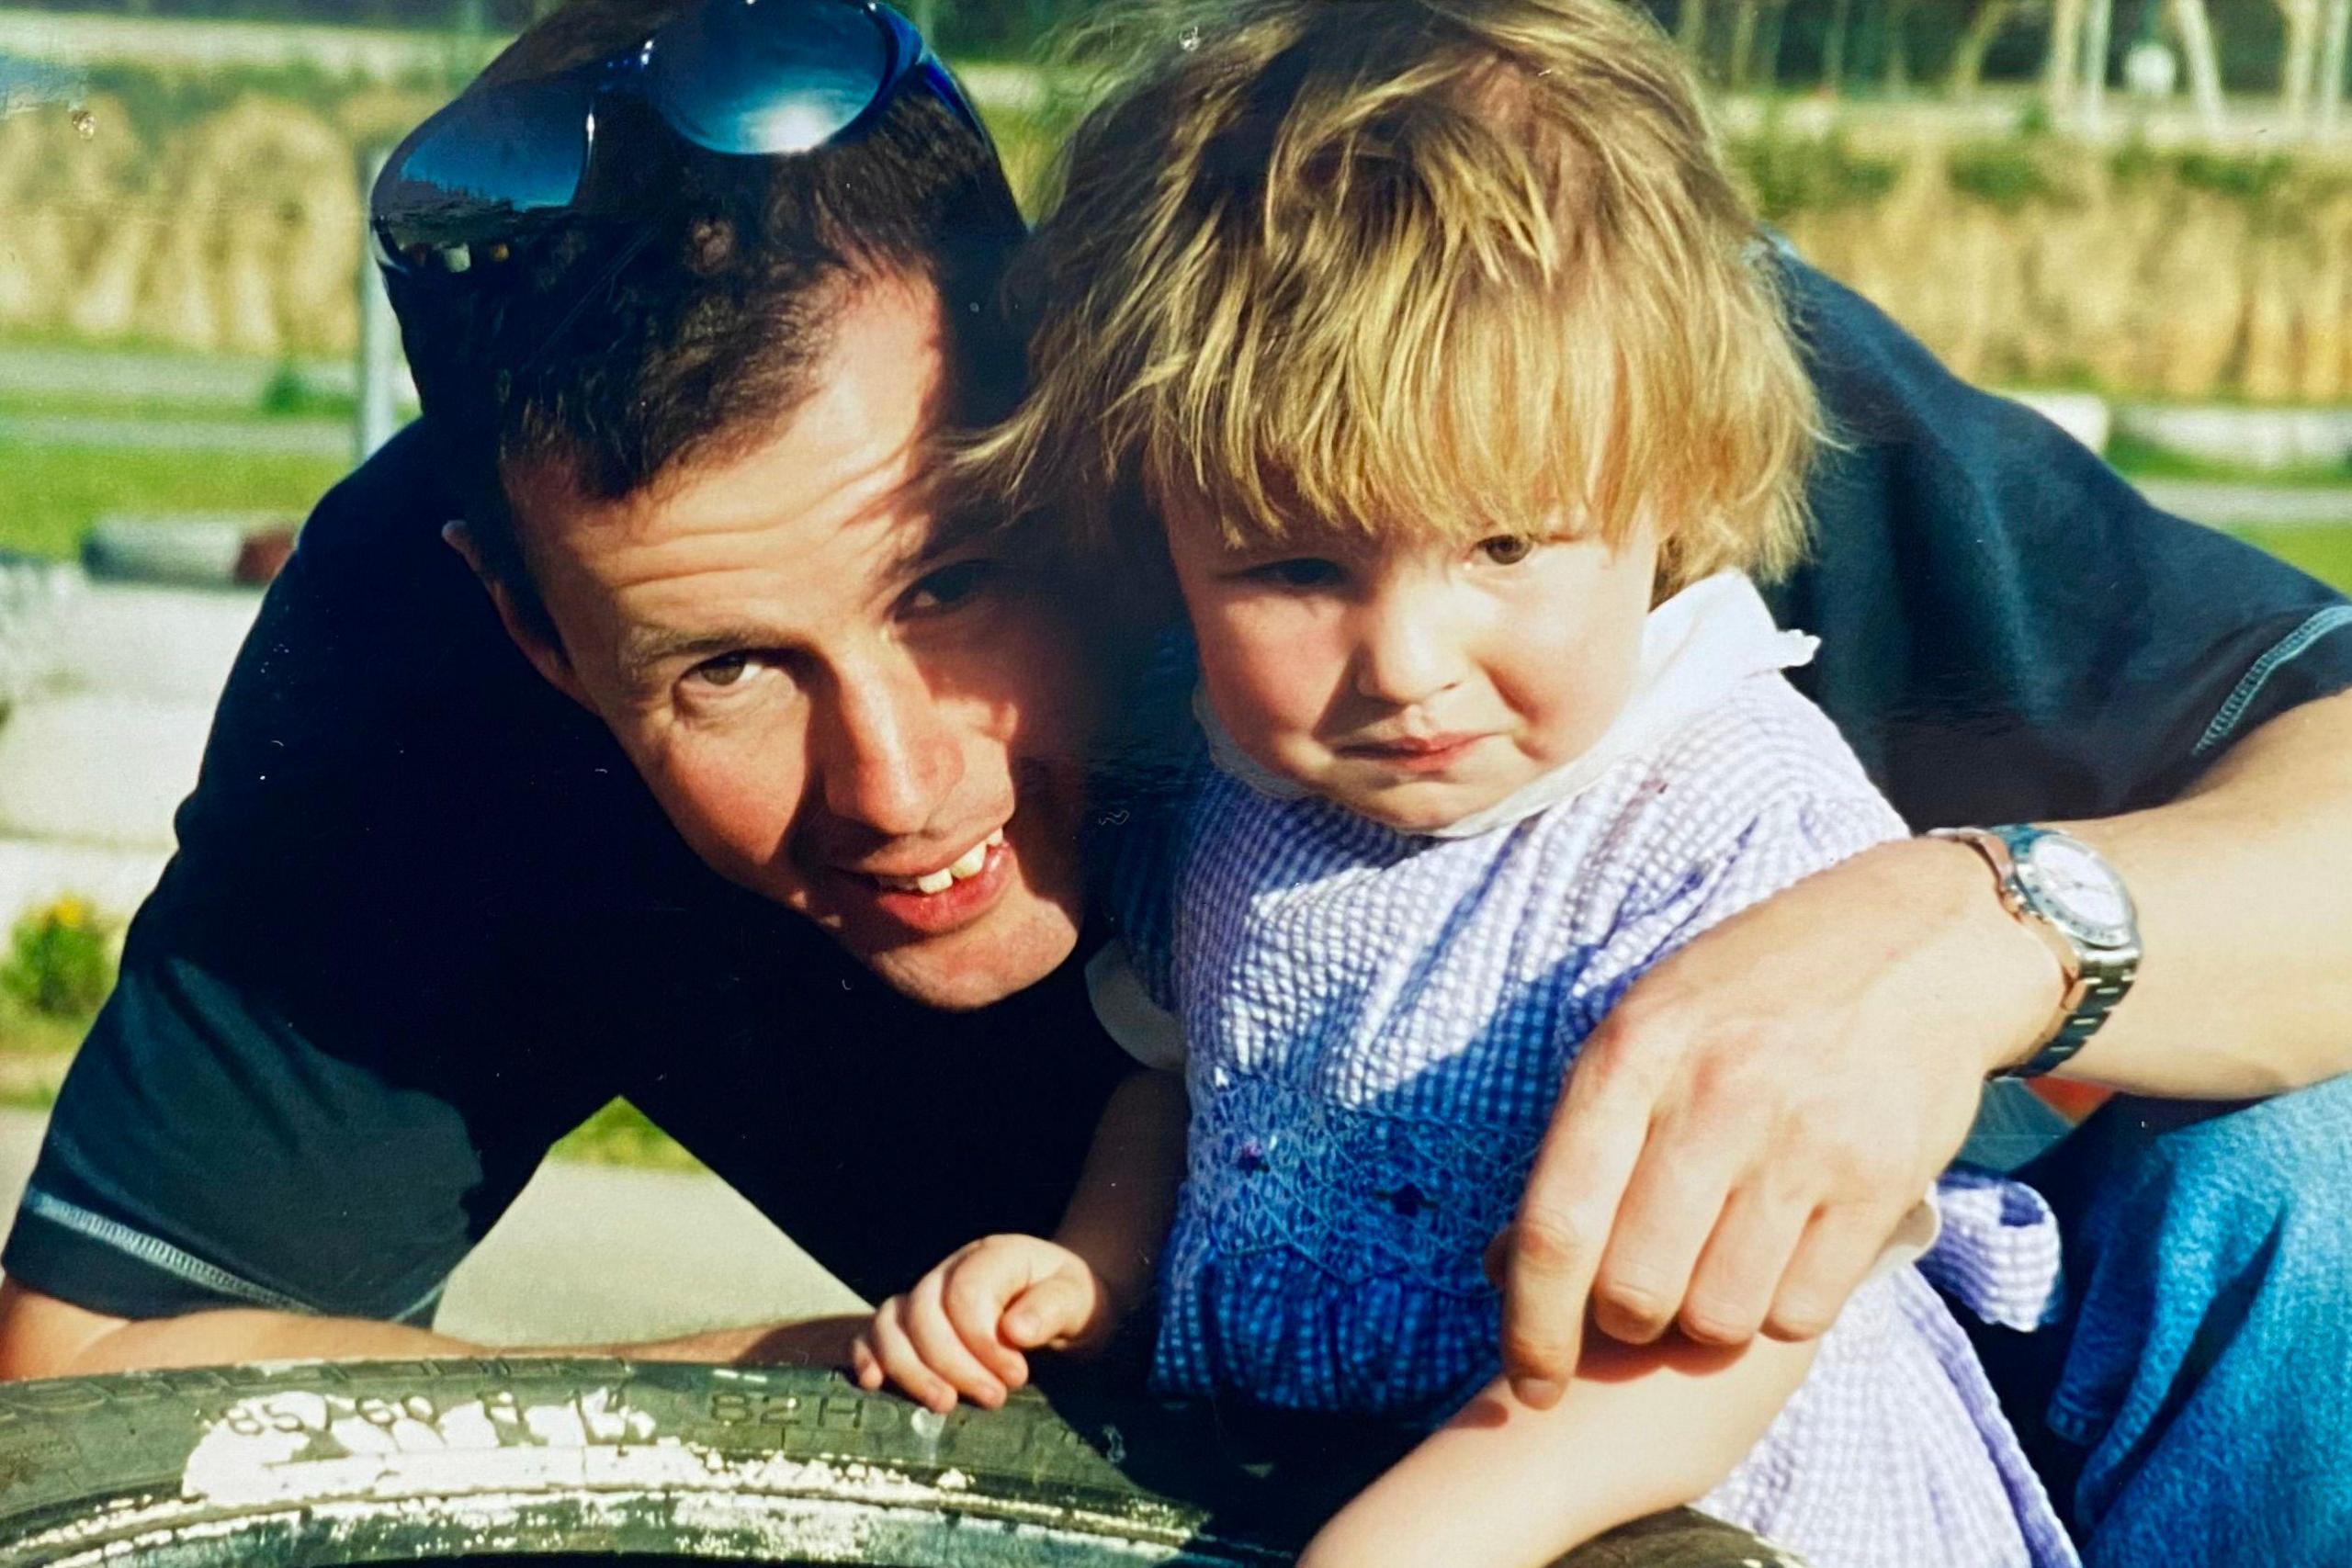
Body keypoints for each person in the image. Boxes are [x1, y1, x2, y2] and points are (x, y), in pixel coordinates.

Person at [0, 2, 2345, 1563]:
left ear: (1110, 424)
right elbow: (93, 1383)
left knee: (2297, 1148)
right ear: (544, 642)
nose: (900, 787)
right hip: (1324, 1450)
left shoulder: (1517, 384)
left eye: (956, 578)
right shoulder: (432, 666)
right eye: (724, 670)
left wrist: (1972, 938)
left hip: (1937, 1424)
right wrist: (841, 1383)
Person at [849, 6, 2074, 1563]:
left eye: (1504, 546)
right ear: (1159, 530)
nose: (1409, 663)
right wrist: (1095, 1270)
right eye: (1298, 567)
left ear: (1672, 483)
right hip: (1346, 1492)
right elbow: (1188, 1078)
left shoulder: (1738, 824)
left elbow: (1726, 1328)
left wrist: (1425, 1540)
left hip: (1694, 1516)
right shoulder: (1236, 791)